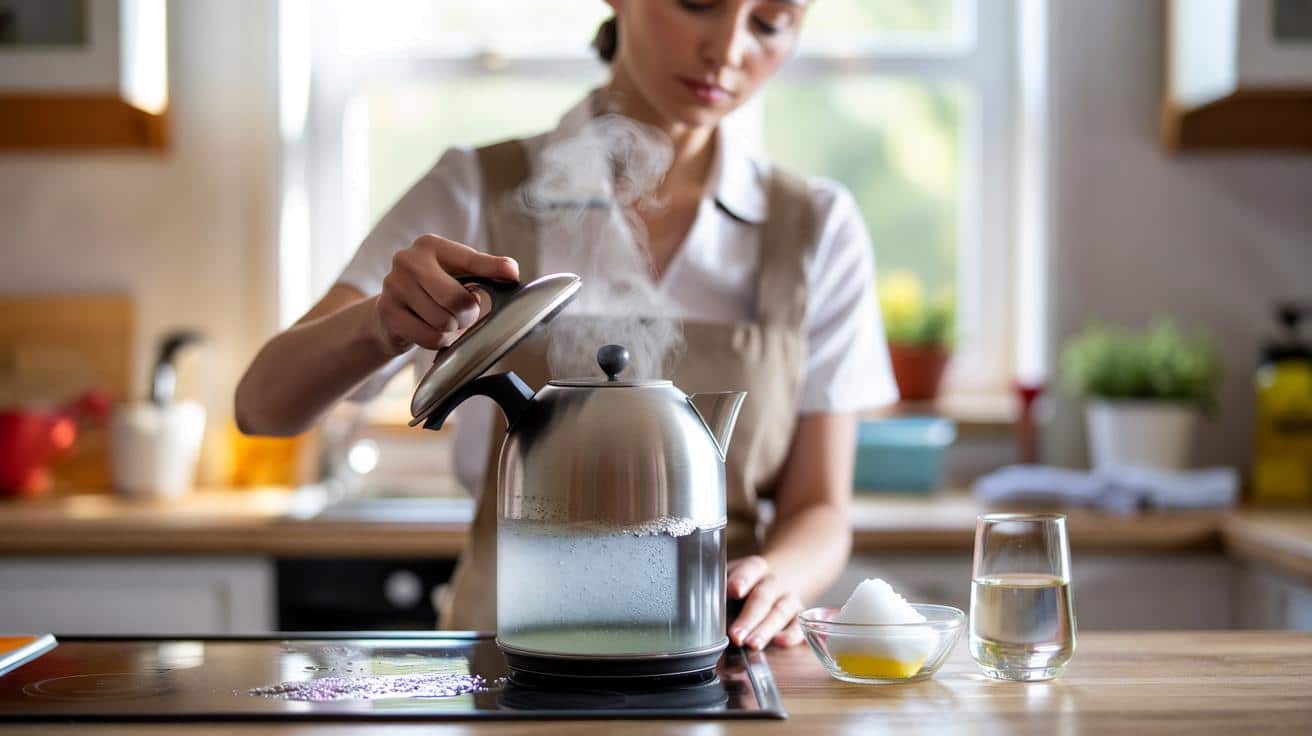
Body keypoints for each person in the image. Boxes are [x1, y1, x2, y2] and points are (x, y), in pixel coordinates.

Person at [236, 0, 897, 651]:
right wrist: (382, 324)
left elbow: (820, 507)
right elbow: (262, 405)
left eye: (770, 22)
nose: (728, 50)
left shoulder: (814, 227)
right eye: (698, 3)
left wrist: (783, 578)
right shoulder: (475, 189)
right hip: (501, 658)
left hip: (716, 654)